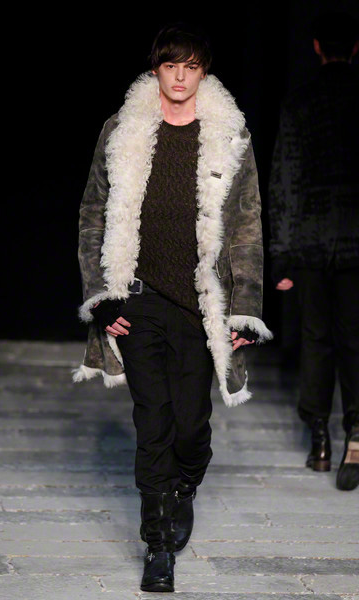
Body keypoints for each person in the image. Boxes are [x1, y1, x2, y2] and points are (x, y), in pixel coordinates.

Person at [73, 23, 272, 592]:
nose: (180, 77)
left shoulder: (229, 135)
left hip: (201, 306)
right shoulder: (122, 130)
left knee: (190, 426)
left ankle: (184, 487)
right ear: (155, 69)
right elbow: (93, 214)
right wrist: (100, 295)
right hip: (137, 299)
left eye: (191, 67)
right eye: (170, 66)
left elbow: (247, 227)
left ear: (203, 72)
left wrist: (245, 309)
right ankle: (157, 545)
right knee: (153, 422)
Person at [268, 12, 359, 492]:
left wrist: (281, 256)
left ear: (318, 47)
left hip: (310, 244)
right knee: (355, 341)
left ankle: (320, 440)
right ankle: (356, 435)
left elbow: (284, 181)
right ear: (356, 48)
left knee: (316, 341)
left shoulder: (300, 102)